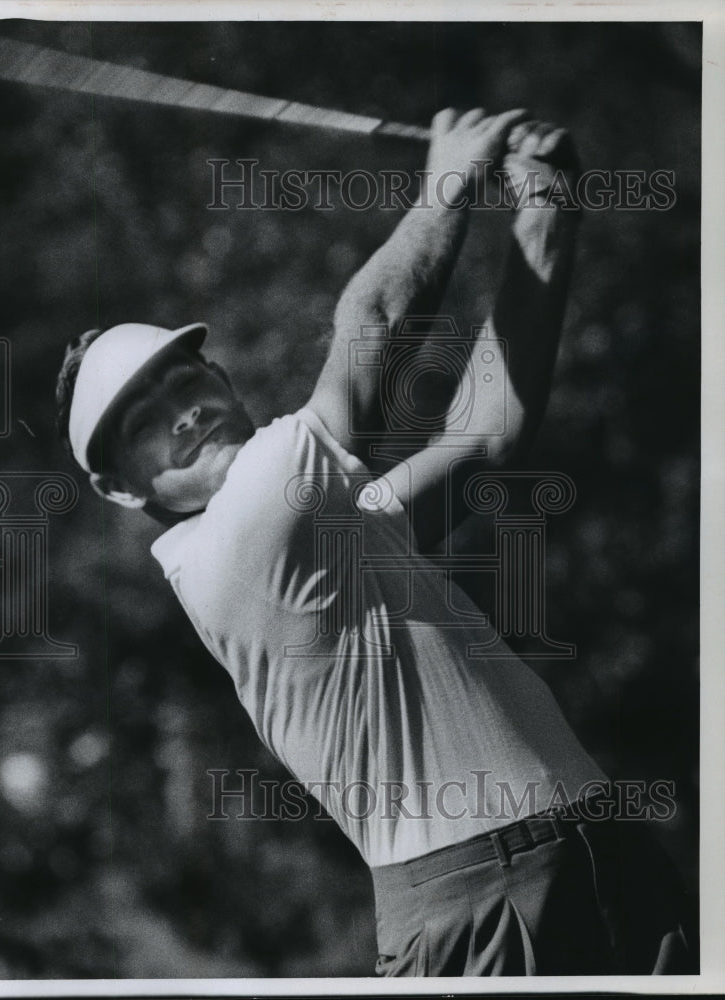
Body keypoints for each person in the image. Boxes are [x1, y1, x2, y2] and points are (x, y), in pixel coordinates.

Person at [56, 109, 695, 975]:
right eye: (147, 420)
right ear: (120, 488)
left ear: (223, 377)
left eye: (187, 378)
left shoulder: (323, 532)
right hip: (477, 902)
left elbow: (489, 435)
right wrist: (449, 180)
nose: (187, 409)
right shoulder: (240, 539)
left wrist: (545, 212)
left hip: (601, 850)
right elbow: (379, 314)